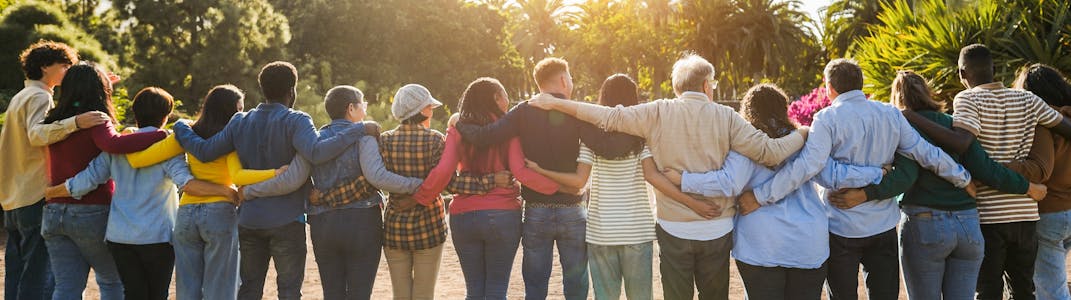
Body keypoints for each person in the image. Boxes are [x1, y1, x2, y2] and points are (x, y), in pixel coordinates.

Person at [527, 54, 807, 300]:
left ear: (677, 87)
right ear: (706, 85)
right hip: (717, 228)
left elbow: (609, 117)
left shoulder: (658, 111)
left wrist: (556, 103)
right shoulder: (727, 117)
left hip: (673, 228)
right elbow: (771, 152)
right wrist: (804, 133)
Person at [730, 59, 971, 300]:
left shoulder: (826, 119)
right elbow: (924, 151)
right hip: (882, 224)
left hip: (841, 225)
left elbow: (812, 168)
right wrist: (962, 177)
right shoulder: (890, 114)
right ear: (860, 84)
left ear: (829, 88)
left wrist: (761, 196)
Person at [831, 71, 1047, 299]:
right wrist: (1027, 187)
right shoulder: (954, 125)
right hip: (968, 224)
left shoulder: (902, 128)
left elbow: (905, 177)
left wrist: (866, 193)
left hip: (926, 224)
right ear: (927, 93)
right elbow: (986, 168)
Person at [665, 83, 887, 300]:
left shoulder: (747, 144)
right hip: (807, 244)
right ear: (783, 109)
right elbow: (833, 176)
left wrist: (683, 179)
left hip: (761, 245)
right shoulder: (805, 141)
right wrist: (878, 172)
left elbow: (728, 183)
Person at [170, 61, 369, 300]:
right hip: (287, 220)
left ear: (262, 89)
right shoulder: (297, 120)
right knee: (288, 291)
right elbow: (316, 152)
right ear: (291, 91)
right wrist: (359, 129)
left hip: (250, 219)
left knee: (250, 289)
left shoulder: (239, 121)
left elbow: (204, 151)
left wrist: (180, 126)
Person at [454, 58, 641, 300]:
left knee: (535, 282)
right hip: (572, 210)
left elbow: (485, 136)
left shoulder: (523, 111)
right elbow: (606, 147)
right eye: (570, 77)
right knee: (576, 280)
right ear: (563, 80)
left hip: (536, 211)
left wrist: (459, 123)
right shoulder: (576, 112)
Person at [902, 44, 1071, 299]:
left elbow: (961, 142)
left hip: (989, 216)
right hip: (1026, 214)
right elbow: (1064, 127)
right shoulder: (1029, 99)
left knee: (988, 290)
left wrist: (911, 117)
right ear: (993, 69)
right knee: (1024, 290)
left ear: (961, 74)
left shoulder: (967, 99)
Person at [44, 87, 243, 300]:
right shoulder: (167, 146)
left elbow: (87, 180)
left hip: (120, 236)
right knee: (158, 294)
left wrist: (51, 192)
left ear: (136, 113)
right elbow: (187, 182)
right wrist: (228, 192)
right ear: (166, 116)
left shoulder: (117, 148)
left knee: (133, 293)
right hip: (157, 236)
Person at [123, 84, 284, 300]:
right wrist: (274, 173)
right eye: (240, 108)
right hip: (219, 213)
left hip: (186, 215)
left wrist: (127, 134)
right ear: (232, 110)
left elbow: (137, 160)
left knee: (187, 289)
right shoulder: (231, 139)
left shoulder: (187, 133)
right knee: (220, 289)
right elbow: (238, 177)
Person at [412, 77, 562, 300]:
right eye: (504, 94)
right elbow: (520, 173)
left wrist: (421, 197)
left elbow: (444, 171)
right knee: (496, 289)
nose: (508, 99)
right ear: (495, 98)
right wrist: (559, 187)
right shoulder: (509, 131)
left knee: (474, 291)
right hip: (502, 216)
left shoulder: (457, 130)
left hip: (463, 216)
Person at [522, 74, 658, 300]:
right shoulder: (642, 137)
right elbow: (653, 175)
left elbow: (578, 181)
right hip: (637, 231)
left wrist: (540, 170)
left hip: (601, 233)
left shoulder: (590, 139)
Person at [41, 62, 167, 299]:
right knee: (112, 282)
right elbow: (114, 145)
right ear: (99, 89)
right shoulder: (96, 119)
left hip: (54, 212)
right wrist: (163, 134)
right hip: (90, 210)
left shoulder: (54, 120)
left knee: (66, 287)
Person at [376, 84, 506, 300]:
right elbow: (451, 183)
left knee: (400, 293)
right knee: (424, 294)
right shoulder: (435, 140)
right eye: (430, 107)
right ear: (424, 110)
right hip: (429, 226)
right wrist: (491, 180)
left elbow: (379, 177)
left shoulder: (385, 141)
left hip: (395, 227)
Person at [0, 40, 108, 300]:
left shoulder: (21, 96)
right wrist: (76, 122)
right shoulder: (40, 96)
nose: (69, 71)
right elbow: (37, 135)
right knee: (38, 278)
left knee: (16, 274)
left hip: (13, 198)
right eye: (65, 65)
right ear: (46, 67)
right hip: (35, 195)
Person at [1014, 64, 1071, 300]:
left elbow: (1040, 171)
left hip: (1049, 214)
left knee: (1051, 290)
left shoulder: (1042, 123)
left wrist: (994, 167)